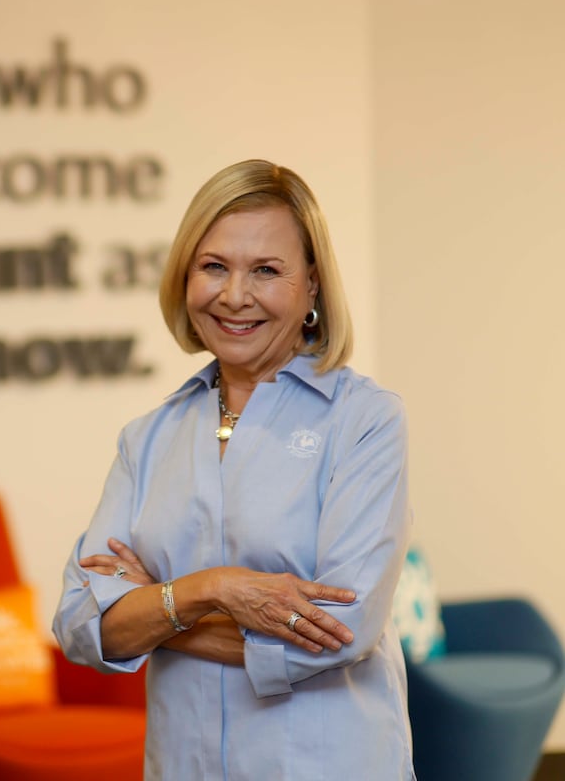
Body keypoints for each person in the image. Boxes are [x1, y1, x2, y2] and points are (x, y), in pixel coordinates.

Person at [52, 159, 413, 780]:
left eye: (266, 270)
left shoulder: (365, 421)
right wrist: (213, 589)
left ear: (313, 286)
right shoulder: (148, 438)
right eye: (214, 265)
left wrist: (156, 613)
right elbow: (84, 625)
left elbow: (338, 633)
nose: (234, 295)